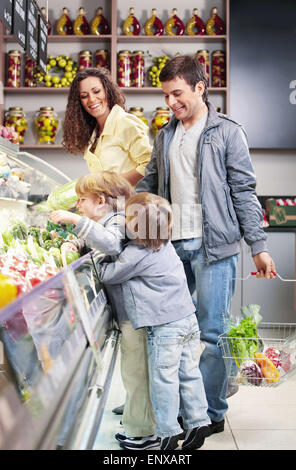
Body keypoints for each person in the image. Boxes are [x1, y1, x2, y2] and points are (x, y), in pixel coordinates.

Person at [135, 55, 277, 435]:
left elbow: (245, 192)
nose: (170, 102)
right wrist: (118, 212)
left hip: (215, 246)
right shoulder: (166, 134)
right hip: (171, 249)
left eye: (177, 93)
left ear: (200, 88)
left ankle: (212, 412)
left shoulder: (228, 132)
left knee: (213, 333)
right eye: (165, 95)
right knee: (173, 333)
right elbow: (148, 185)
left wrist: (259, 246)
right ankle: (188, 409)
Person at [49, 172, 157, 449]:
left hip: (136, 313)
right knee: (131, 370)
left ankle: (144, 433)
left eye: (82, 200)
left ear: (100, 201)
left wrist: (77, 222)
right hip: (127, 313)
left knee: (137, 372)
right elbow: (94, 243)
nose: (78, 206)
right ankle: (136, 420)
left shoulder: (118, 221)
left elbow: (109, 244)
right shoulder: (105, 220)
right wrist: (75, 242)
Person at [99, 192, 211, 450]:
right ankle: (198, 421)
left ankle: (168, 432)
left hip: (165, 328)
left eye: (127, 219)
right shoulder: (165, 244)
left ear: (136, 227)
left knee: (164, 379)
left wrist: (98, 254)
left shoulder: (137, 254)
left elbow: (108, 274)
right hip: (187, 320)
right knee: (188, 373)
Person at [63, 67, 151, 187]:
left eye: (96, 91)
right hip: (110, 204)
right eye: (84, 96)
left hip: (131, 203)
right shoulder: (93, 132)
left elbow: (149, 165)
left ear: (107, 91)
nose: (91, 99)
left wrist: (111, 185)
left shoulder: (125, 123)